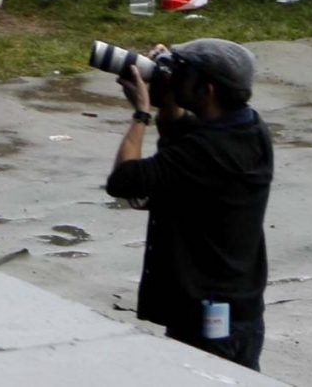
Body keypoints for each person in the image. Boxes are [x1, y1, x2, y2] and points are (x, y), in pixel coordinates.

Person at [104, 38, 273, 369]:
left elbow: (124, 180)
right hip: (239, 314)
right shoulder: (249, 128)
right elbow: (182, 136)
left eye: (184, 74)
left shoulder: (208, 151)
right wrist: (168, 101)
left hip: (208, 323)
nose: (176, 77)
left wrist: (141, 112)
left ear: (207, 90)